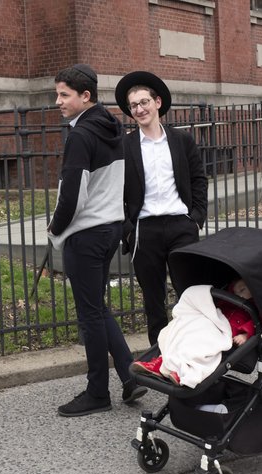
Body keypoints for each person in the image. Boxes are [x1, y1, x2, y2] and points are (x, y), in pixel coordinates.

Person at [48, 64, 147, 417]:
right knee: (98, 308)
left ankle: (97, 393)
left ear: (85, 96)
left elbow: (73, 196)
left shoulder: (80, 135)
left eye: (64, 95)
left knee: (89, 315)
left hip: (87, 234)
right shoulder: (112, 126)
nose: (57, 101)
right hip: (108, 229)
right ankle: (130, 376)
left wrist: (54, 229)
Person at [114, 71, 209, 347]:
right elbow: (113, 192)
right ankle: (161, 360)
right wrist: (128, 231)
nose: (139, 109)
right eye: (134, 106)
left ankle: (192, 353)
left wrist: (196, 219)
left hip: (181, 226)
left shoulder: (181, 141)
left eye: (144, 102)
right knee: (154, 304)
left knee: (189, 296)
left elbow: (198, 180)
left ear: (157, 103)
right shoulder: (125, 146)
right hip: (145, 231)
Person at [131, 279, 255, 388]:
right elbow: (211, 306)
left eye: (245, 289)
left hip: (223, 331)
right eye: (239, 289)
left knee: (198, 345)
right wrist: (234, 287)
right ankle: (160, 363)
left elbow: (255, 325)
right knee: (180, 332)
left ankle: (184, 373)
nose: (241, 292)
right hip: (211, 320)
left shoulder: (252, 310)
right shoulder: (228, 300)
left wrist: (245, 335)